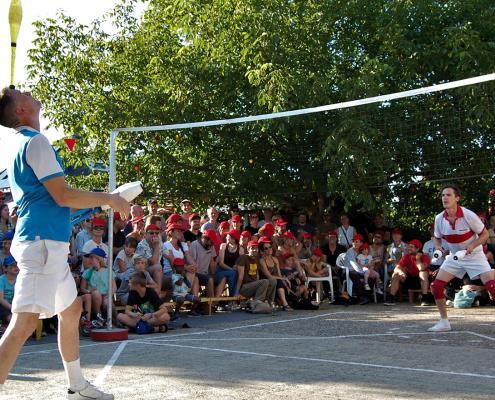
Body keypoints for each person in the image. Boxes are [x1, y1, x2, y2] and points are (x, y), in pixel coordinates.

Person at [0, 86, 129, 399]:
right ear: (20, 110)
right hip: (42, 244)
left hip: (47, 244)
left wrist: (103, 201)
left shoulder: (22, 144)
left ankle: (77, 386)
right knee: (23, 324)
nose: (27, 91)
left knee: (71, 311)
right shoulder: (36, 141)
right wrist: (110, 198)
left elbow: (58, 198)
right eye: (20, 92)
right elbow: (63, 195)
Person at [428, 184, 495, 332]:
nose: (444, 197)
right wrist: (438, 247)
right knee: (436, 286)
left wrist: (472, 246)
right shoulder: (439, 218)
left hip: (475, 255)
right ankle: (444, 322)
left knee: (491, 286)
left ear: (457, 198)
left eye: (448, 195)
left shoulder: (468, 215)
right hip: (455, 257)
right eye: (443, 195)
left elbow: (484, 235)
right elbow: (436, 238)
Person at [384, 240, 431, 307]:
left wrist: (417, 259)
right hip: (409, 280)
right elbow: (396, 268)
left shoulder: (425, 256)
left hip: (421, 281)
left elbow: (421, 268)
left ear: (417, 249)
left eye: (411, 247)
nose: (409, 248)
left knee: (422, 273)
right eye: (409, 246)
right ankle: (391, 298)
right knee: (396, 274)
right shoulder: (406, 257)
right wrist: (401, 273)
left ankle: (424, 299)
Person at [80, 248, 117, 321]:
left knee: (107, 303)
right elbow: (82, 288)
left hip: (105, 295)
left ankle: (115, 320)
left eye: (91, 258)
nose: (89, 260)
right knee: (96, 293)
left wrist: (109, 295)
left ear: (98, 259)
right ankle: (98, 316)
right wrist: (89, 291)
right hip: (93, 297)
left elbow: (114, 287)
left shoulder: (108, 271)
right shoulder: (88, 272)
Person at [0, 256, 18, 328]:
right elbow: (1, 299)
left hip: (13, 305)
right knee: (11, 318)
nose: (16, 267)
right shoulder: (1, 280)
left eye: (17, 265)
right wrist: (12, 308)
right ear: (5, 268)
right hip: (2, 305)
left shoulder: (19, 280)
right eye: (13, 266)